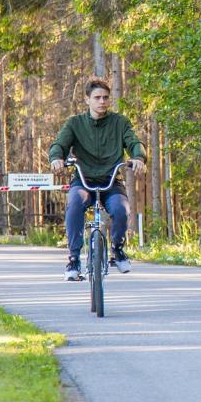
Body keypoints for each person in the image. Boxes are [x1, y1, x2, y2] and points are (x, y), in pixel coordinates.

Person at [50, 77, 146, 281]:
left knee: (121, 210)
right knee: (75, 204)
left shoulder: (120, 122)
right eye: (97, 97)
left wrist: (138, 157)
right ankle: (74, 258)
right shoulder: (75, 124)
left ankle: (117, 249)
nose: (102, 101)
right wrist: (56, 158)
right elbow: (59, 144)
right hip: (84, 181)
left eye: (105, 98)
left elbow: (134, 141)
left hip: (111, 182)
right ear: (87, 100)